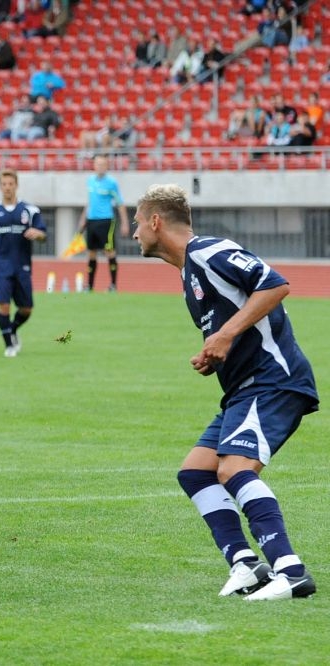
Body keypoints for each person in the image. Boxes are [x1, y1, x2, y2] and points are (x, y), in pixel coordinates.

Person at [131, 183, 318, 601]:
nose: (134, 232)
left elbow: (274, 284)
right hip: (243, 389)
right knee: (195, 473)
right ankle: (246, 564)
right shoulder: (188, 273)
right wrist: (215, 354)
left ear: (156, 221)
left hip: (272, 380)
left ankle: (291, 572)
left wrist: (225, 336)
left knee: (233, 470)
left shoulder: (209, 251)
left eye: (138, 222)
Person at [0, 168, 46, 357]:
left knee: (26, 309)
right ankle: (9, 345)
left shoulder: (30, 211)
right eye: (4, 184)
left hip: (22, 265)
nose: (7, 187)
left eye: (11, 184)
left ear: (16, 185)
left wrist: (37, 234)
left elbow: (43, 234)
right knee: (4, 305)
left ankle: (12, 330)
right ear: (0, 187)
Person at [77, 155, 129, 292]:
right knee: (91, 253)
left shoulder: (112, 183)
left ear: (106, 166)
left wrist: (125, 223)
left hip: (106, 220)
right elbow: (89, 201)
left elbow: (120, 203)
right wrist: (83, 219)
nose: (100, 166)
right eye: (97, 164)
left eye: (102, 164)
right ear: (94, 165)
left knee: (109, 251)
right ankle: (90, 286)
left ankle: (113, 285)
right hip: (91, 220)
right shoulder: (90, 181)